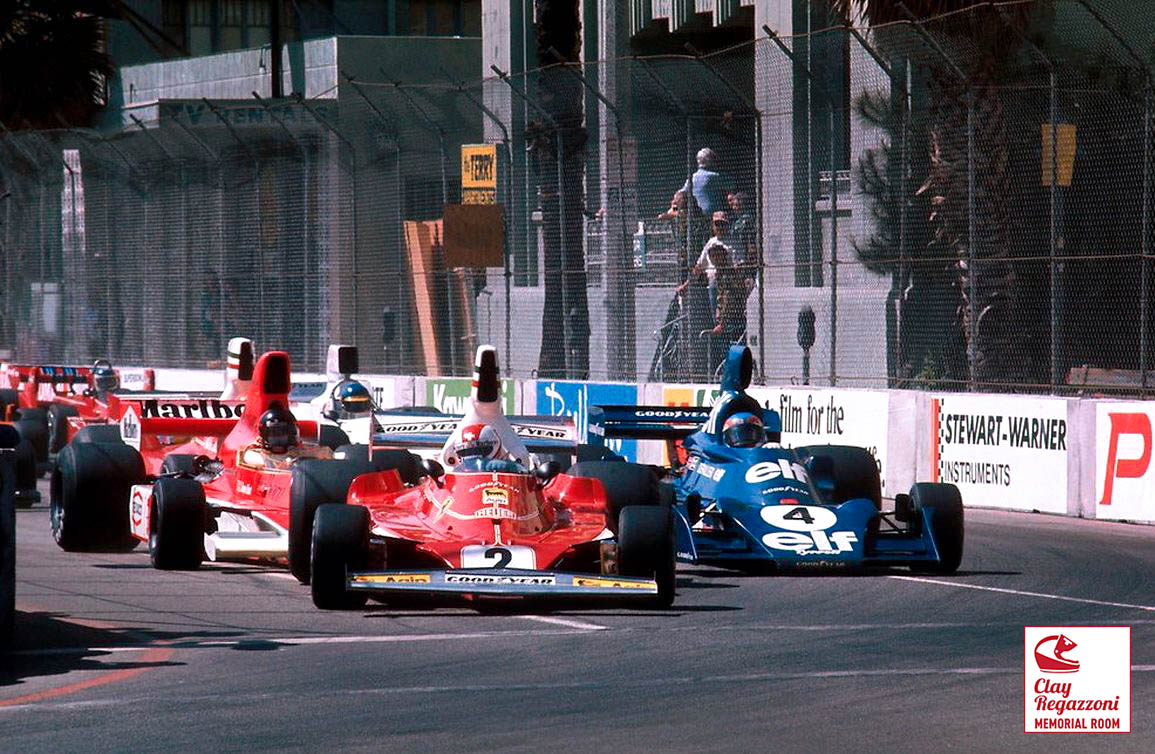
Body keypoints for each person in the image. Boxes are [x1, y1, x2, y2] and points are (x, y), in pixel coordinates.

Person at [241, 402, 331, 470]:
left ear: (292, 433)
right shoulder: (255, 456)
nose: (279, 437)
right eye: (274, 434)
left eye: (283, 432)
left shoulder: (304, 452)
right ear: (264, 436)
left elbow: (328, 455)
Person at [677, 212, 734, 317]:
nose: (719, 227)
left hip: (729, 285)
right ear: (713, 226)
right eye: (717, 224)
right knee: (715, 317)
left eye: (722, 224)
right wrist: (686, 285)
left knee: (727, 318)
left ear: (727, 225)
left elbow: (739, 265)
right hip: (714, 284)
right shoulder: (711, 242)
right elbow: (699, 267)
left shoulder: (733, 242)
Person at [449, 423, 524, 473]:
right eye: (465, 451)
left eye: (478, 450)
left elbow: (523, 470)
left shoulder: (511, 467)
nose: (472, 455)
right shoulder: (456, 472)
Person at [677, 148, 730, 217]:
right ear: (709, 160)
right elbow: (731, 185)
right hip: (713, 214)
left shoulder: (692, 178)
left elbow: (681, 192)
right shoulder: (713, 176)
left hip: (696, 214)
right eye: (713, 159)